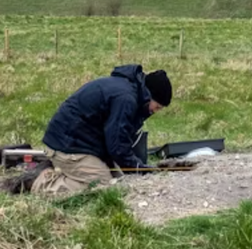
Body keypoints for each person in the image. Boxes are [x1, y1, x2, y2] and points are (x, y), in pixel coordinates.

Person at [28, 64, 172, 195]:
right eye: (157, 107)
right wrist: (138, 167)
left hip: (83, 143)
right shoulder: (126, 99)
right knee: (103, 185)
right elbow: (117, 144)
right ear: (148, 96)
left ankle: (65, 172)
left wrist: (134, 165)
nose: (155, 111)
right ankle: (40, 182)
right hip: (68, 146)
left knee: (119, 178)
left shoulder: (129, 90)